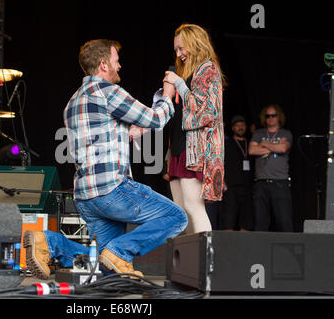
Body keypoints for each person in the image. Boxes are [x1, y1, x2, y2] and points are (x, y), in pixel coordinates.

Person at [23, 39, 187, 279]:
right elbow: (155, 119)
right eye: (116, 61)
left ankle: (49, 243)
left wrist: (129, 132)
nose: (119, 66)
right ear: (103, 65)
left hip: (86, 196)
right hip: (112, 189)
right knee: (176, 217)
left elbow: (104, 131)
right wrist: (166, 95)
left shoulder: (73, 101)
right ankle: (121, 251)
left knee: (105, 266)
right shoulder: (108, 91)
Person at [162, 23, 225, 234]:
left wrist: (179, 84)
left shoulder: (208, 69)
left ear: (196, 44)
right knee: (181, 212)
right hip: (180, 149)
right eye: (176, 50)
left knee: (193, 207)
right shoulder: (187, 72)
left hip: (196, 153)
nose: (179, 54)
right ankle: (190, 261)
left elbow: (208, 112)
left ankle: (206, 261)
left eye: (182, 48)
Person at [248, 104, 293, 232]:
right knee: (260, 222)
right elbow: (252, 150)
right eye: (268, 116)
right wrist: (275, 146)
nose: (271, 118)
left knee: (284, 221)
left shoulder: (286, 133)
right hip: (261, 183)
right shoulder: (259, 133)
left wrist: (263, 145)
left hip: (280, 183)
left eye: (274, 115)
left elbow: (283, 148)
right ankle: (259, 250)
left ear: (279, 117)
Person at [219, 115, 254, 231]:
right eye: (237, 125)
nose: (240, 127)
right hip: (231, 188)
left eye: (242, 125)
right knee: (229, 220)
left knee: (247, 221)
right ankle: (227, 247)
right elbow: (220, 164)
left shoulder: (251, 144)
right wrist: (222, 183)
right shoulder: (227, 144)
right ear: (233, 128)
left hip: (248, 188)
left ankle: (245, 247)